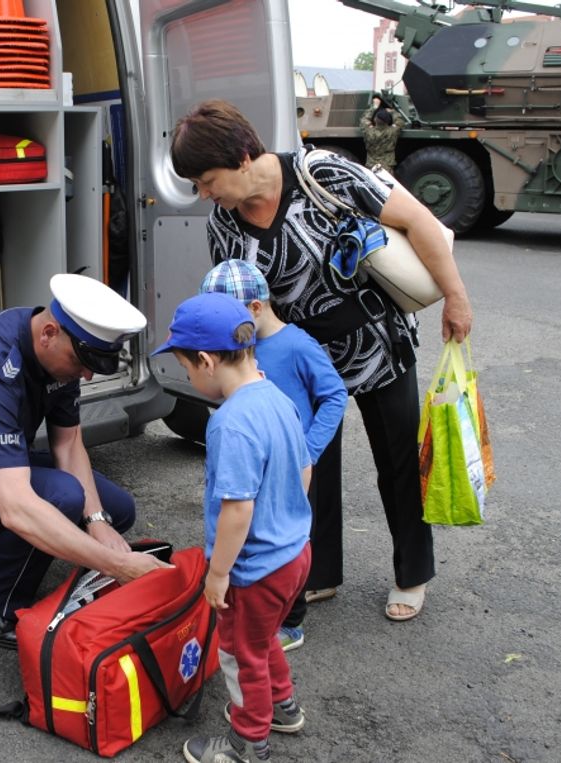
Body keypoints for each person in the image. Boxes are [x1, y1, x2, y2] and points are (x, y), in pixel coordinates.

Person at [170, 99, 473, 622]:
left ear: (243, 157)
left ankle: (412, 573)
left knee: (398, 461)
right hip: (297, 356)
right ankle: (318, 571)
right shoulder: (223, 225)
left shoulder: (320, 174)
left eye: (206, 178)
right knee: (306, 461)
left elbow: (418, 221)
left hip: (375, 341)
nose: (204, 193)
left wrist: (456, 297)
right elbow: (236, 303)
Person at [0, 273, 169, 649]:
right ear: (48, 333)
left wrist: (98, 522)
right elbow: (16, 508)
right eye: (81, 361)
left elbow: (69, 444)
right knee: (61, 498)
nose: (86, 374)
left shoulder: (60, 348)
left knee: (115, 510)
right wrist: (115, 564)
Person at [152, 291, 312, 763]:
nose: (187, 376)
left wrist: (218, 573)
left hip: (254, 570)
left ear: (205, 360)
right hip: (294, 554)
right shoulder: (275, 395)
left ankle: (248, 743)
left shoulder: (230, 423)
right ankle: (282, 708)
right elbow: (304, 470)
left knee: (241, 656)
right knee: (261, 641)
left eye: (185, 368)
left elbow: (237, 511)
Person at [198, 259, 346, 651]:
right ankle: (259, 604)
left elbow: (334, 395)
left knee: (290, 540)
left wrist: (309, 450)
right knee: (254, 535)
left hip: (293, 464)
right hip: (254, 462)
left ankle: (291, 622)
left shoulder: (296, 344)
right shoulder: (237, 349)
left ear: (256, 309)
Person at [361, 95, 406, 172]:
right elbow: (400, 122)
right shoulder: (392, 131)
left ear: (375, 120)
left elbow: (364, 119)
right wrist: (392, 111)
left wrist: (374, 107)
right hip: (387, 167)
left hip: (371, 166)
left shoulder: (368, 130)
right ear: (388, 122)